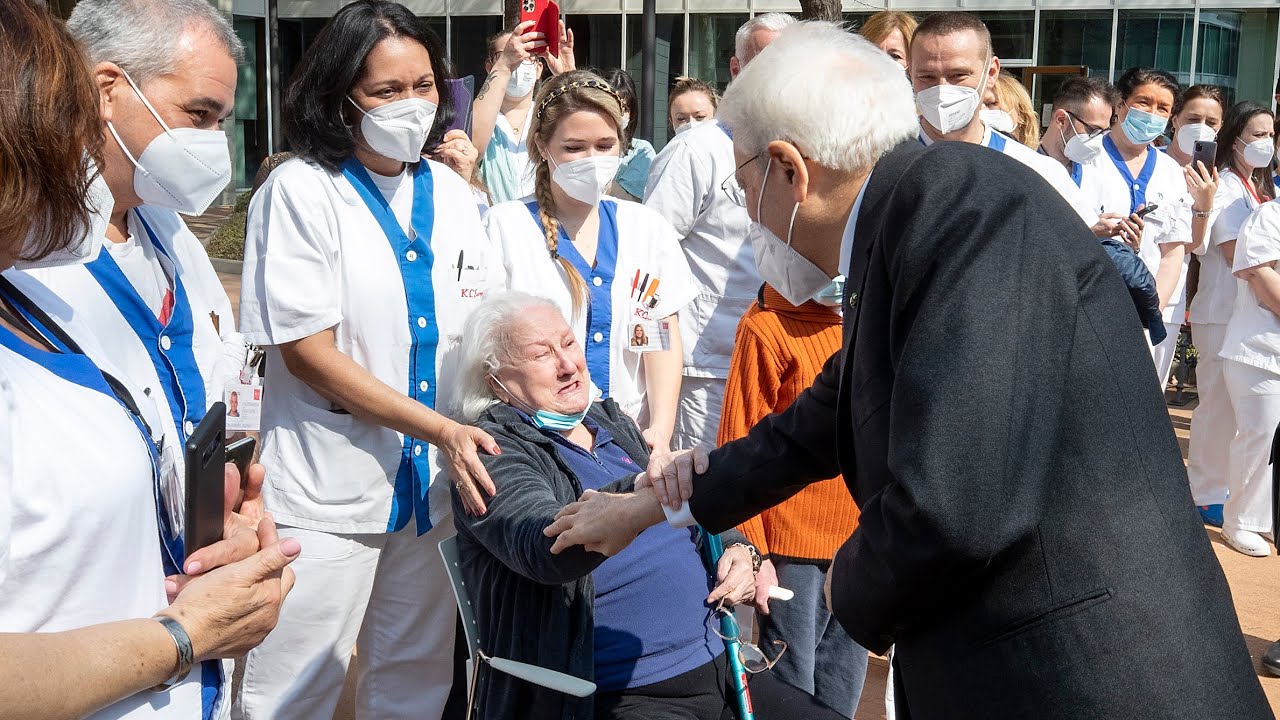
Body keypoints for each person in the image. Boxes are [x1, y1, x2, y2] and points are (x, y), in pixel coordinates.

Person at [543, 22, 1271, 718]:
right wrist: (646, 506)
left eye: (743, 186)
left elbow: (953, 505)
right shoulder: (905, 222)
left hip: (1089, 674)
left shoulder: (961, 210)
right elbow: (815, 423)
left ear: (791, 169)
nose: (746, 214)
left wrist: (841, 593)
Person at [0, 2, 297, 718]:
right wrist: (180, 637)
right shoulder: (41, 271)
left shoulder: (168, 237)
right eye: (200, 113)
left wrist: (208, 527)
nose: (75, 163)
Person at [235, 3, 501, 718]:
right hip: (328, 495)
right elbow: (308, 353)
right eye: (387, 91)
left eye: (424, 85)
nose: (411, 105)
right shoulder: (299, 191)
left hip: (432, 498)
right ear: (338, 95)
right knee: (291, 689)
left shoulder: (452, 194)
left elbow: (486, 322)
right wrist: (438, 428)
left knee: (414, 684)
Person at [450, 291, 849, 720]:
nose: (568, 364)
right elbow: (542, 546)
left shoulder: (609, 421)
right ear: (496, 382)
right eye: (541, 355)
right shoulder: (491, 452)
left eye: (568, 343)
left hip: (725, 665)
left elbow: (690, 516)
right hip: (622, 693)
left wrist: (738, 549)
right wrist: (646, 486)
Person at [14, 0, 249, 524]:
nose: (215, 141)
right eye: (199, 114)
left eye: (220, 120)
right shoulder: (24, 251)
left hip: (188, 553)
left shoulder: (164, 226)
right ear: (106, 91)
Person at [485, 71, 696, 454]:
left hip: (632, 442)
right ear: (542, 147)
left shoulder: (646, 229)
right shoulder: (505, 227)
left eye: (605, 145)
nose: (592, 159)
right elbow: (492, 350)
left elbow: (659, 334)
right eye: (574, 147)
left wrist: (660, 430)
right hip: (539, 445)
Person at [644, 12, 794, 452]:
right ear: (735, 70)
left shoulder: (810, 145)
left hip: (784, 360)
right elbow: (651, 255)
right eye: (765, 63)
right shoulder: (694, 150)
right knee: (709, 499)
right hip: (709, 371)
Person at [717, 282, 865, 716]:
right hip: (789, 556)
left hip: (859, 541)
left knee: (843, 686)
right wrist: (755, 554)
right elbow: (737, 443)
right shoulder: (765, 327)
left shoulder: (866, 314)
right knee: (790, 692)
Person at [909, 12, 1095, 225]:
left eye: (958, 75)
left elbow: (1081, 249)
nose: (942, 89)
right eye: (926, 77)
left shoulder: (1037, 171)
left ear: (991, 73)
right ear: (910, 74)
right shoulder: (878, 162)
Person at [1081, 67, 1196, 389]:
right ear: (1120, 104)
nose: (1152, 114)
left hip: (1150, 315)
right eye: (1143, 102)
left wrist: (1151, 308)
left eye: (1163, 108)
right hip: (1091, 306)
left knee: (1144, 403)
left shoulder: (1171, 172)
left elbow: (1173, 253)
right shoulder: (1086, 158)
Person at [1186, 100, 1268, 531]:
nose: (1266, 143)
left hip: (1245, 317)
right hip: (1219, 312)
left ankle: (1224, 490)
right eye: (1257, 135)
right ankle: (1205, 492)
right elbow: (1234, 251)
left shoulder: (1260, 189)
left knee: (1238, 414)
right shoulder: (1227, 187)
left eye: (1271, 135)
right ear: (1233, 138)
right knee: (1216, 407)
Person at [1217, 112, 1279, 558]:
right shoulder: (1268, 217)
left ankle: (1268, 517)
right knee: (1259, 434)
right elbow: (1261, 279)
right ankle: (1240, 519)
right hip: (1259, 351)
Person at [471, 21, 576, 204]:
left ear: (538, 69)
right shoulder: (482, 117)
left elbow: (585, 138)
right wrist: (504, 66)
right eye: (508, 54)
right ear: (490, 68)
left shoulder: (550, 117)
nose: (518, 61)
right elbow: (471, 147)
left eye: (527, 56)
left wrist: (570, 78)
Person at [601, 68, 654, 202]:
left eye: (624, 108)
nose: (617, 115)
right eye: (611, 107)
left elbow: (633, 202)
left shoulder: (641, 151)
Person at [983, 71, 1038, 148]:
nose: (981, 110)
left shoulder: (1034, 158)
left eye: (991, 103)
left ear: (1020, 113)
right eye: (976, 105)